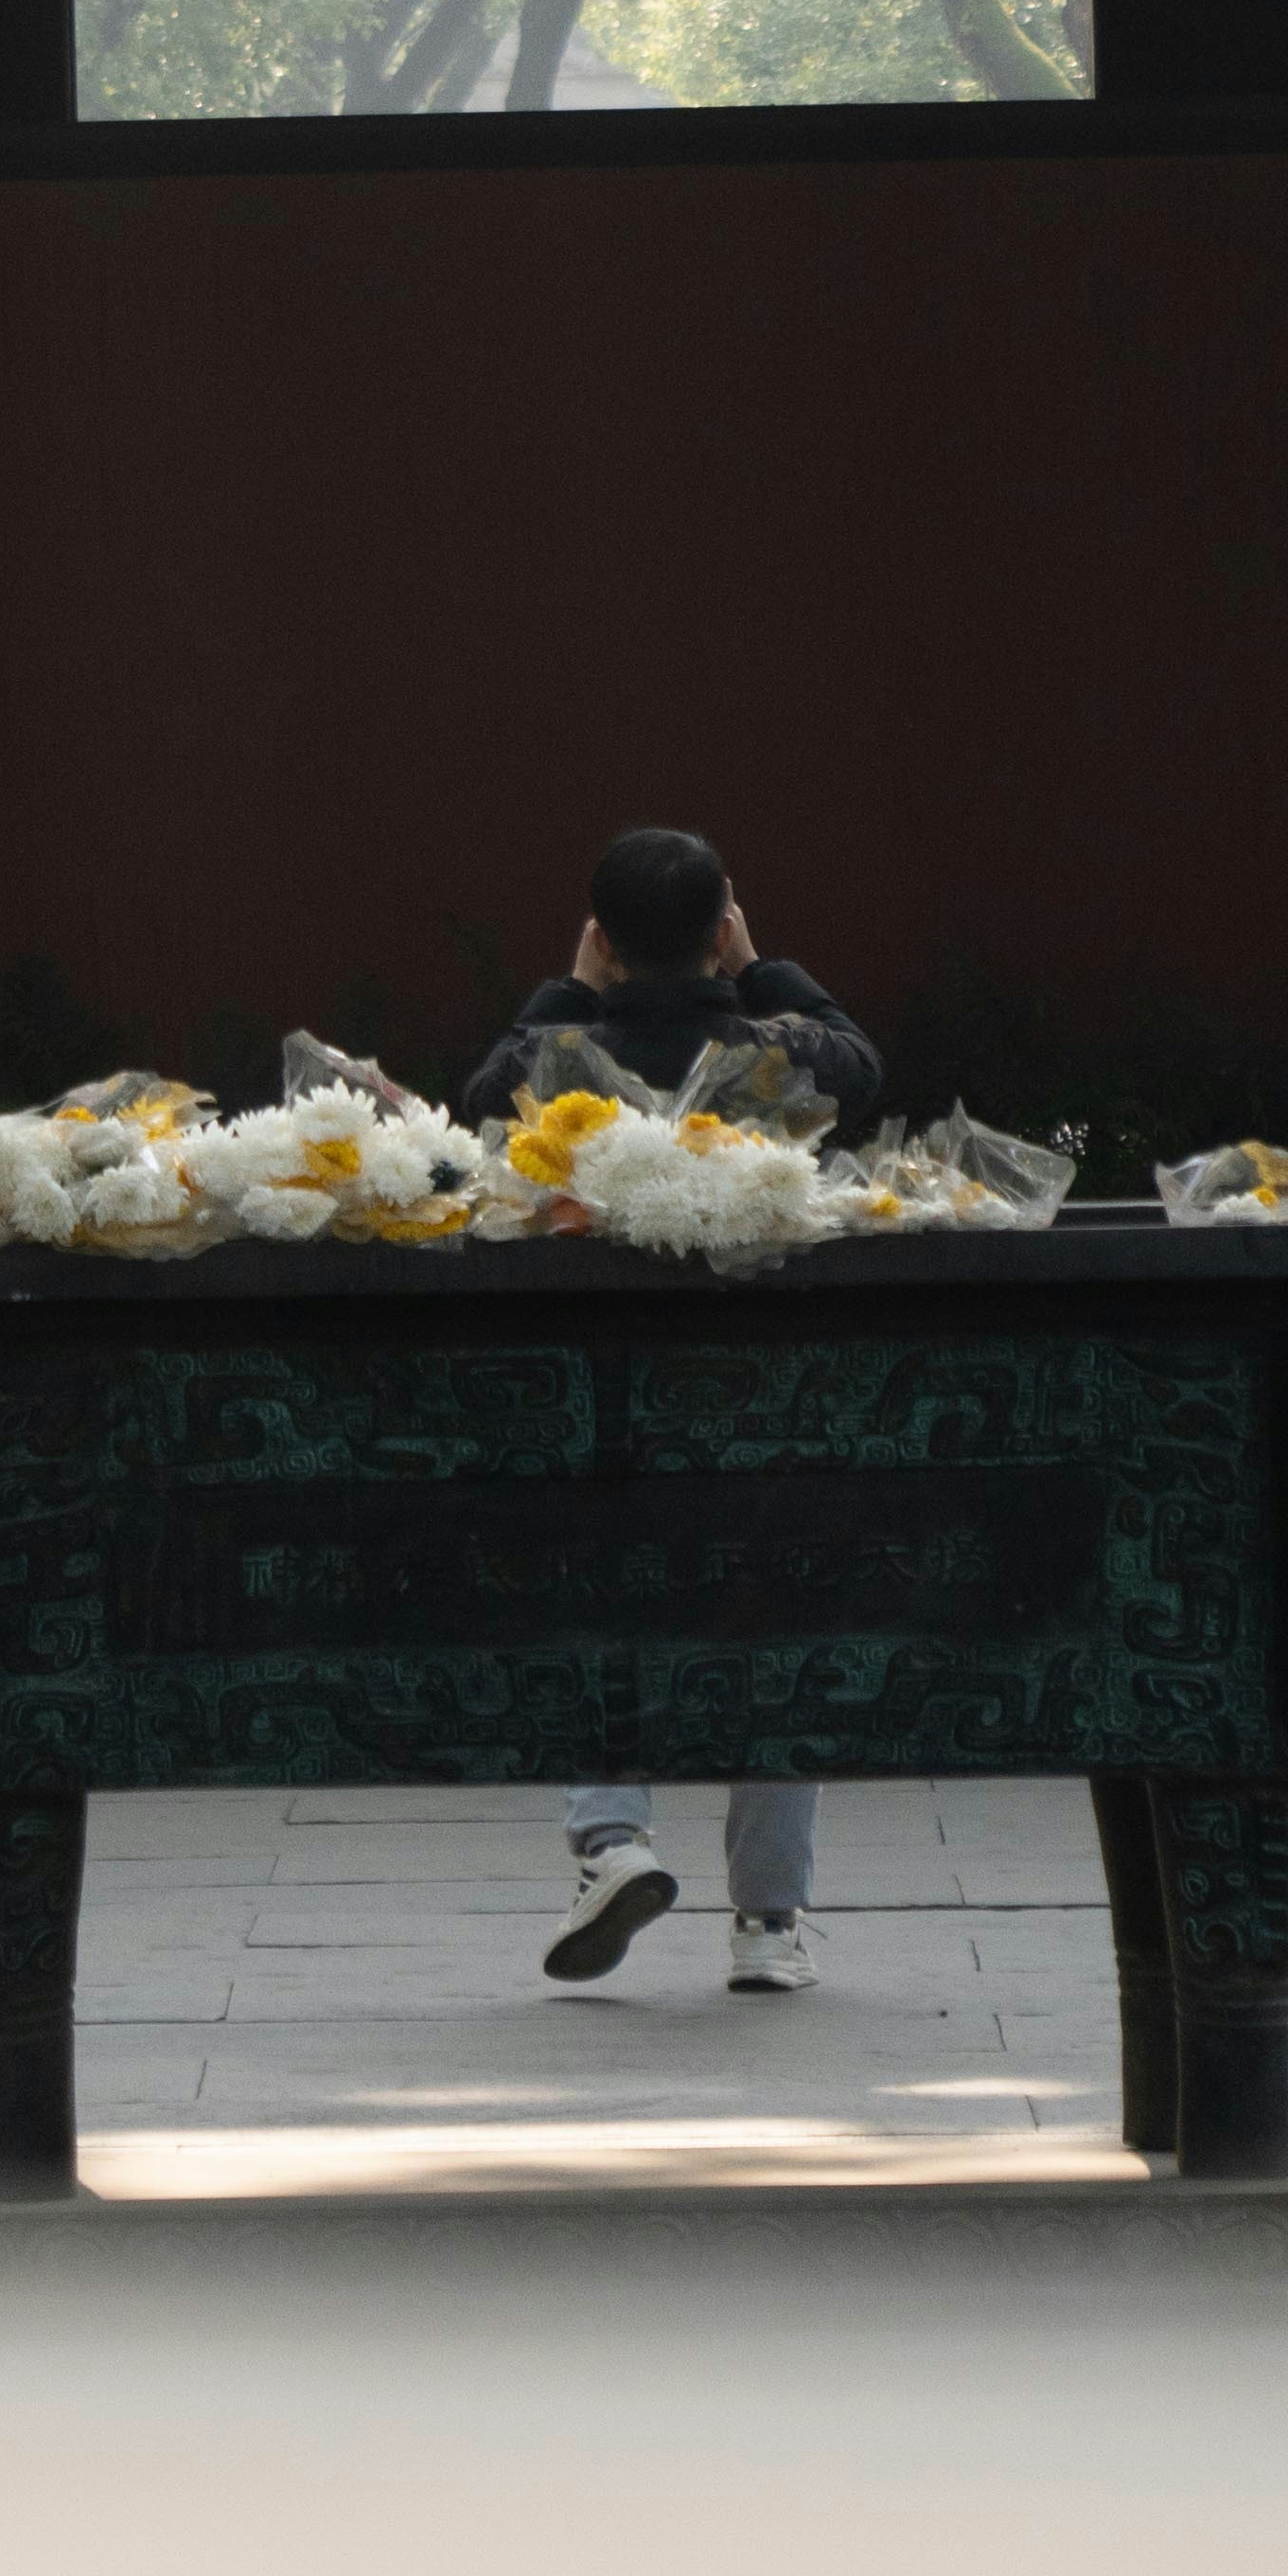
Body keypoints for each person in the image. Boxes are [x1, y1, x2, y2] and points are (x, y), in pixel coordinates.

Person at [455, 825, 881, 2002]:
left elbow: (478, 1095)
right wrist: (757, 967)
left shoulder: (558, 1055)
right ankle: (767, 1924)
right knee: (769, 1632)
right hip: (756, 1408)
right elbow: (861, 1059)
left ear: (599, 937)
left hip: (603, 1411)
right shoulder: (770, 1052)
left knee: (603, 1607)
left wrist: (569, 985)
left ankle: (611, 1844)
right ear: (718, 927)